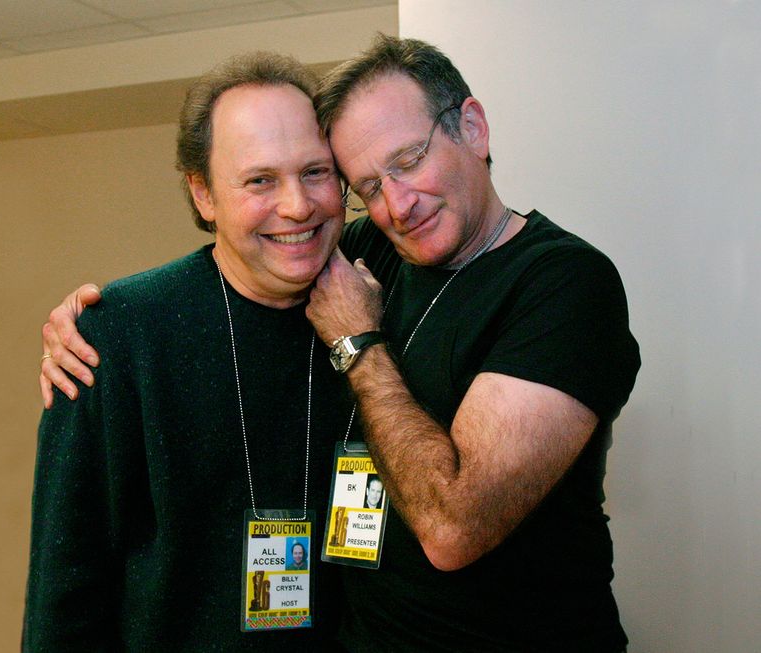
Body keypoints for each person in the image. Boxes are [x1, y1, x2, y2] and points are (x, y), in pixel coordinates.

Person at [40, 35, 640, 652]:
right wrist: (99, 319)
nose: (399, 205)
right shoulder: (374, 251)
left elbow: (452, 527)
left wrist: (358, 342)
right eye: (368, 185)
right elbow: (262, 246)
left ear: (473, 127)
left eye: (408, 161)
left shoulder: (565, 283)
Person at [24, 52, 351, 652]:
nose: (298, 206)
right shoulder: (120, 335)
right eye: (260, 180)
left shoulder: (380, 302)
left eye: (316, 172)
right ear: (203, 194)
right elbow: (66, 584)